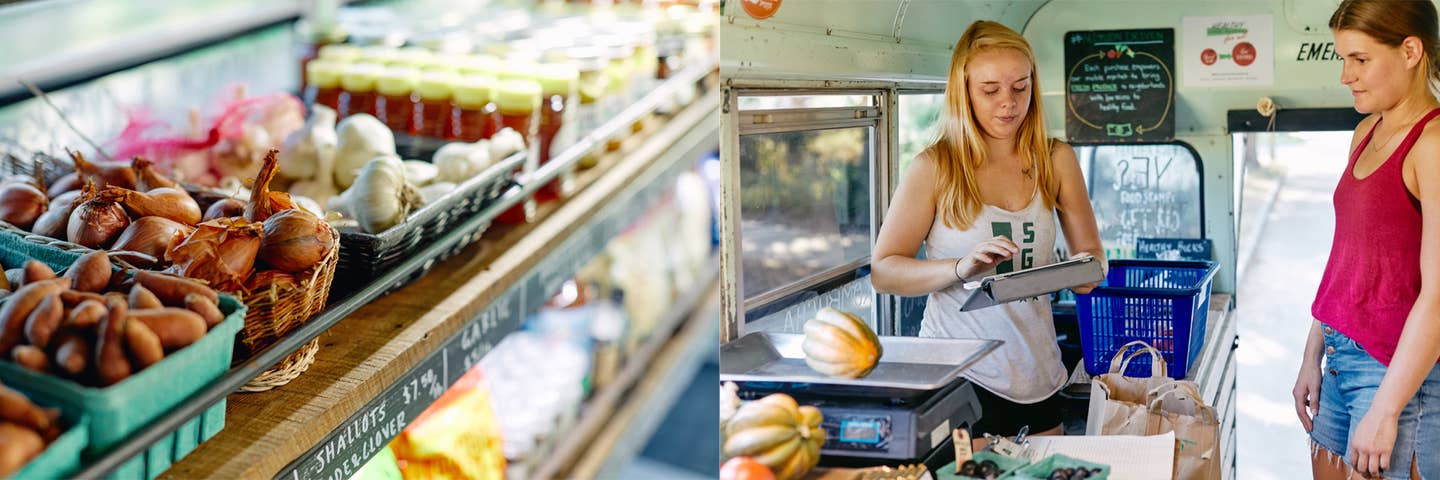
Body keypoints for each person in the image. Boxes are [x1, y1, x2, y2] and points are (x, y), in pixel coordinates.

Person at [871, 20, 1105, 446]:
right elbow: (884, 271)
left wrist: (1077, 274)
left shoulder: (1057, 160)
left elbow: (1092, 260)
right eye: (990, 89)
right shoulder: (934, 167)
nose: (1008, 103)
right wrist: (961, 268)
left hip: (1038, 374)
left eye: (1020, 87)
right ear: (964, 90)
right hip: (958, 377)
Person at [1294, 1, 1440, 478]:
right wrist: (1313, 351)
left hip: (1397, 373)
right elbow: (1350, 257)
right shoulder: (1364, 131)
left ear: (1411, 51)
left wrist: (1386, 409)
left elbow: (1438, 298)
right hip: (1340, 355)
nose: (1345, 75)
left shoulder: (1432, 144)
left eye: (1359, 60)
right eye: (1342, 59)